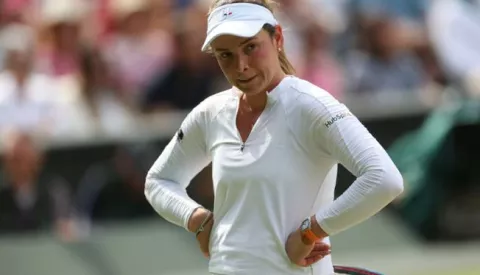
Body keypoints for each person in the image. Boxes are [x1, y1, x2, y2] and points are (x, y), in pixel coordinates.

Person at [144, 0, 404, 274]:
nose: (241, 66)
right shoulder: (211, 112)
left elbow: (384, 179)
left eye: (250, 48)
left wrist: (310, 232)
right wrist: (197, 219)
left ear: (277, 37)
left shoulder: (312, 106)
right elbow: (159, 181)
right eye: (225, 55)